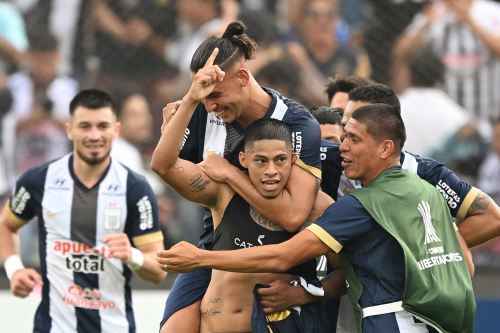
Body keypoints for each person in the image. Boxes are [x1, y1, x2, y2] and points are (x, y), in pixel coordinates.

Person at [158, 103, 476, 333]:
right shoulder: (426, 191)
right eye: (343, 139)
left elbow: (286, 256)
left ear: (386, 147)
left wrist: (201, 257)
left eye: (353, 139)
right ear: (244, 159)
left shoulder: (356, 206)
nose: (342, 149)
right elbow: (467, 264)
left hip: (390, 320)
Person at [153, 21, 322, 333]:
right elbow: (165, 166)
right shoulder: (204, 108)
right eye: (202, 95)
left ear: (243, 77)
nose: (210, 105)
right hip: (217, 242)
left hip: (279, 256)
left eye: (215, 94)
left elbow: (294, 215)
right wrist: (188, 103)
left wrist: (230, 174)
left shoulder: (298, 124)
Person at [0, 89, 166, 332]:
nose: (94, 135)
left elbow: (159, 270)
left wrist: (132, 255)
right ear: (69, 130)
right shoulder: (39, 181)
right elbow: (6, 224)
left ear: (116, 131)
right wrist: (14, 268)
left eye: (102, 126)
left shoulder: (136, 189)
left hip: (113, 327)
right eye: (85, 126)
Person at [152, 112, 330, 332]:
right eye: (261, 161)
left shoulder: (317, 206)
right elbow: (163, 166)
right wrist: (189, 103)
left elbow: (344, 274)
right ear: (244, 160)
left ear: (293, 160)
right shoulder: (222, 192)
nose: (271, 171)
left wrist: (304, 293)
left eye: (280, 160)